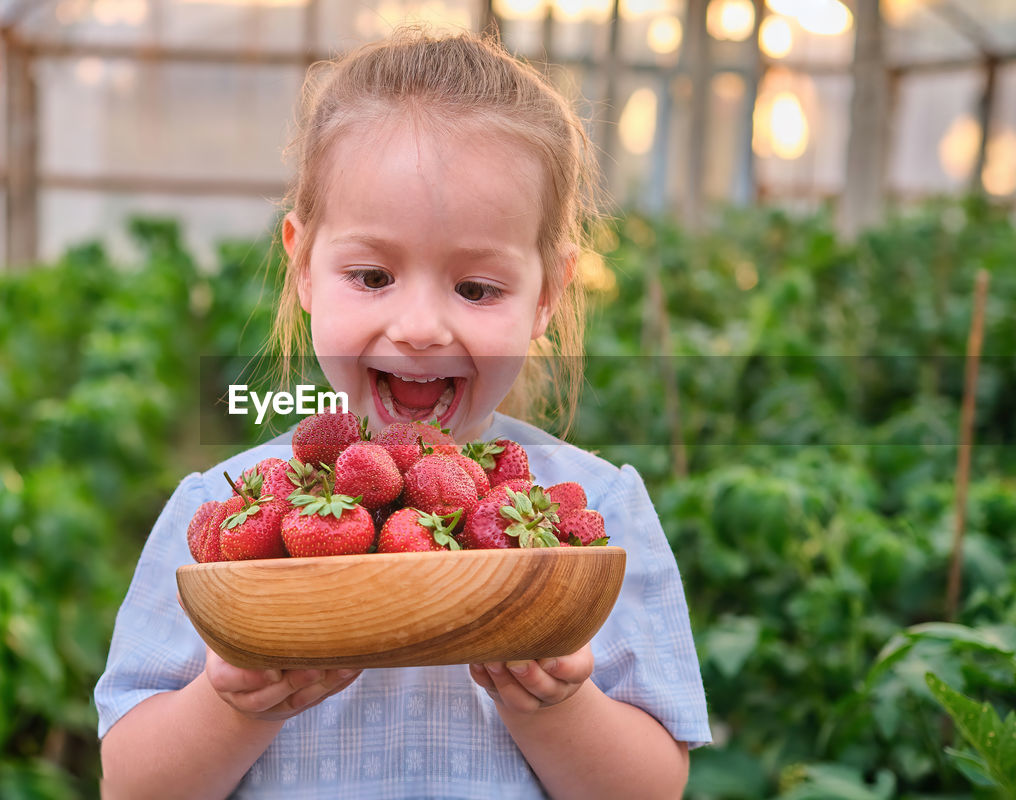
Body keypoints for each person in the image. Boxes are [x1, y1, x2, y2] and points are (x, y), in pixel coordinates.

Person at [96, 27, 710, 799]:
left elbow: (652, 788)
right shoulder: (225, 514)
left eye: (476, 289)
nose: (419, 325)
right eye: (374, 275)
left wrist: (557, 704)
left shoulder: (592, 517)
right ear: (305, 269)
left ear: (547, 294)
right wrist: (232, 704)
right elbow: (130, 784)